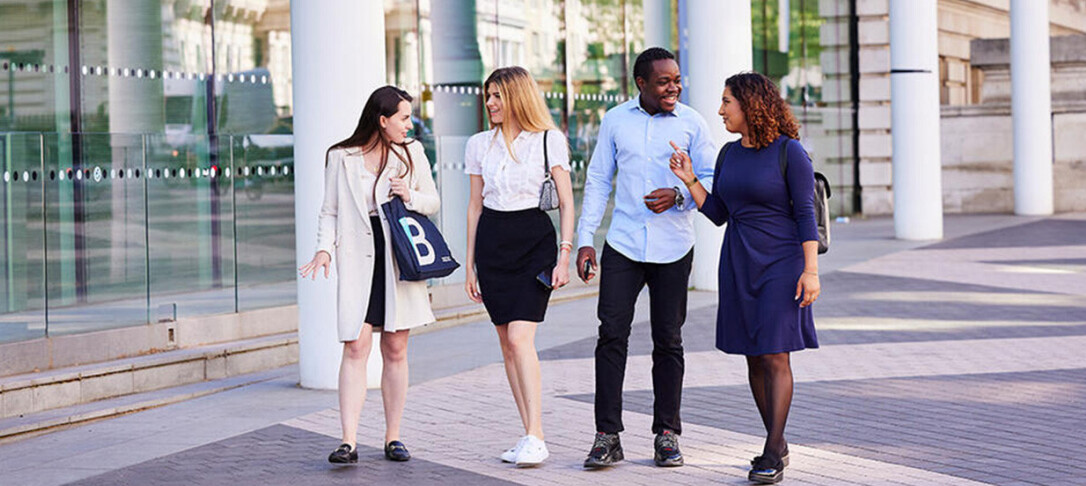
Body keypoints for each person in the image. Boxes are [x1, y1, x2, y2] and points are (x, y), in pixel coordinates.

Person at [668, 72, 821, 484]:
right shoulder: (728, 154)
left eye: (726, 102)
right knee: (754, 355)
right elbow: (719, 213)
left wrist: (810, 271)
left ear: (750, 105)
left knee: (775, 353)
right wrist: (690, 180)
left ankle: (773, 449)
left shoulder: (791, 152)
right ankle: (777, 440)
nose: (720, 111)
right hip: (738, 262)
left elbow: (806, 216)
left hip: (782, 265)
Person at [575, 47, 717, 469]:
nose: (673, 87)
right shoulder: (615, 120)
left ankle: (667, 435)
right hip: (623, 244)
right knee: (611, 335)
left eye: (677, 80)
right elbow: (599, 180)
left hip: (674, 245)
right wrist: (585, 240)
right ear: (641, 83)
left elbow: (710, 180)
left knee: (668, 340)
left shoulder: (693, 122)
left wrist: (678, 196)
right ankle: (607, 435)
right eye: (663, 81)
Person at [299, 85, 439, 465]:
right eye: (404, 118)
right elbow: (329, 210)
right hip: (359, 257)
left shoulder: (412, 154)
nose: (410, 125)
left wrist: (409, 193)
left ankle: (393, 437)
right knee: (355, 345)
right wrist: (324, 248)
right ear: (382, 120)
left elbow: (433, 200)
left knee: (395, 348)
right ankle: (348, 441)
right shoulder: (341, 157)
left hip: (399, 257)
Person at [463, 66, 575, 468]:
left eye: (497, 95)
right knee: (505, 344)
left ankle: (536, 434)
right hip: (493, 243)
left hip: (534, 241)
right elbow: (475, 206)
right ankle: (527, 431)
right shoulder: (478, 144)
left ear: (517, 97)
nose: (490, 103)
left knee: (519, 339)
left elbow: (566, 200)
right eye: (488, 95)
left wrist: (565, 255)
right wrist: (469, 266)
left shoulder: (548, 140)